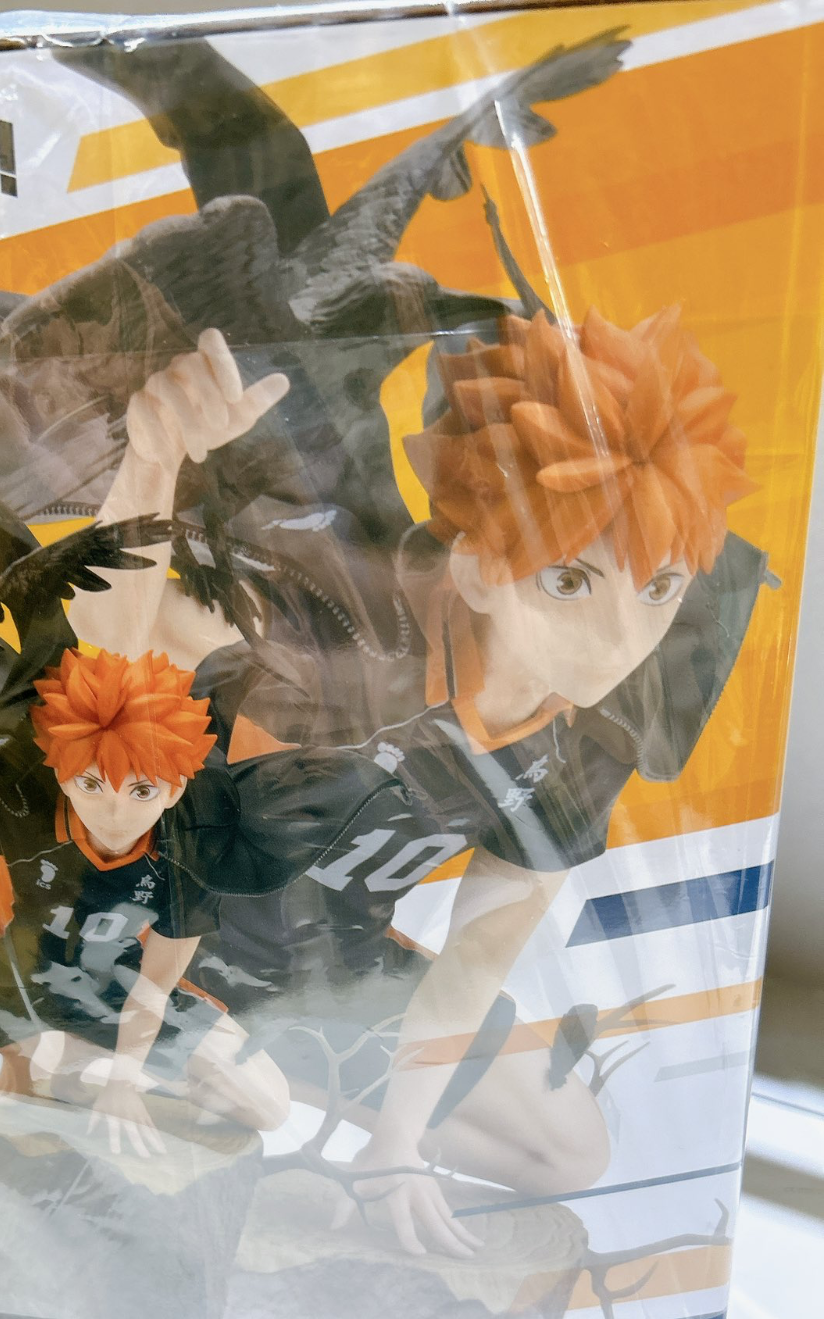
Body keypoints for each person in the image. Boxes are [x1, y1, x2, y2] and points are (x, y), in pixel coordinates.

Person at [65, 304, 768, 1251]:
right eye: (569, 582)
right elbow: (113, 644)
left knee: (567, 1152)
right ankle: (143, 1045)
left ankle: (267, 1070)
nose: (619, 638)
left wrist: (394, 1145)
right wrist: (152, 464)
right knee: (226, 1105)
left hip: (331, 964)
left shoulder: (595, 734)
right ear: (476, 572)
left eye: (659, 587)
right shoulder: (347, 620)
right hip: (160, 931)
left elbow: (477, 956)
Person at [0, 637, 403, 1156]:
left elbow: (154, 988)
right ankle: (30, 1054)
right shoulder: (22, 805)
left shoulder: (194, 843)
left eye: (141, 792)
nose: (114, 812)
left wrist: (125, 1082)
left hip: (121, 990)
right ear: (61, 774)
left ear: (175, 788)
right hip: (18, 976)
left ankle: (78, 1066)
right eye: (91, 785)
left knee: (266, 1106)